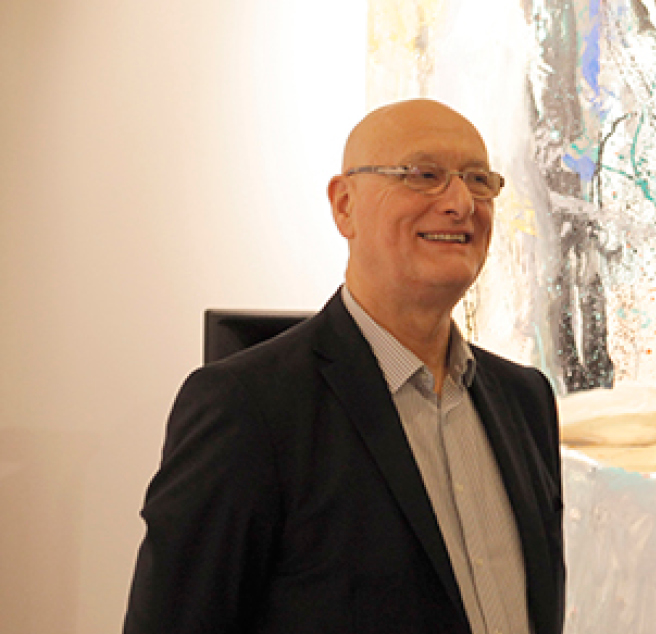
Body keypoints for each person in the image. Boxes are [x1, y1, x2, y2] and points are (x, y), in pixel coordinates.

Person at [124, 99, 564, 634]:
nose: (460, 203)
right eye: (423, 175)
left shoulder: (525, 401)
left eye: (478, 180)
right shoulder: (247, 407)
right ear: (344, 205)